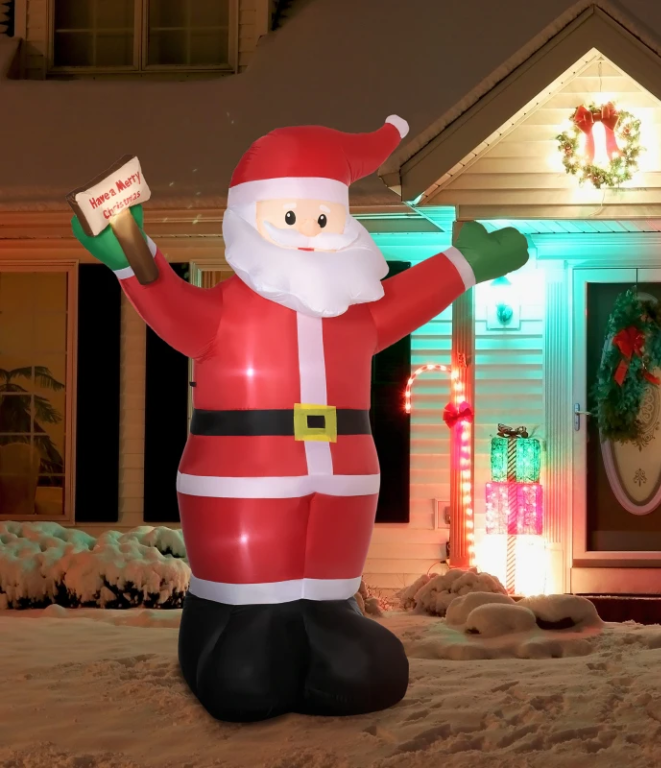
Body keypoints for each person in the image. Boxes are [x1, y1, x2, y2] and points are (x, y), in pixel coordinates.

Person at [71, 115, 529, 722]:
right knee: (247, 670)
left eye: (323, 218)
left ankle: (325, 619)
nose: (310, 234)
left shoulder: (353, 313)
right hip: (244, 479)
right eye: (290, 217)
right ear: (252, 217)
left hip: (342, 481)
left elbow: (408, 298)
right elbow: (171, 303)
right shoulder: (227, 312)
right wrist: (130, 258)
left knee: (357, 652)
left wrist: (464, 263)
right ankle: (236, 626)